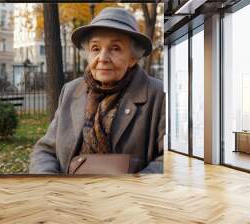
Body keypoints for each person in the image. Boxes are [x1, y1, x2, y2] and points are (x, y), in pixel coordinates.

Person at [29, 7, 165, 174]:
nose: (102, 58)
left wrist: (132, 189)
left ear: (132, 58)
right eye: (95, 48)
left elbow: (167, 159)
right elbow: (45, 150)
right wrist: (51, 185)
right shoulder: (71, 91)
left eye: (115, 48)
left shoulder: (158, 95)